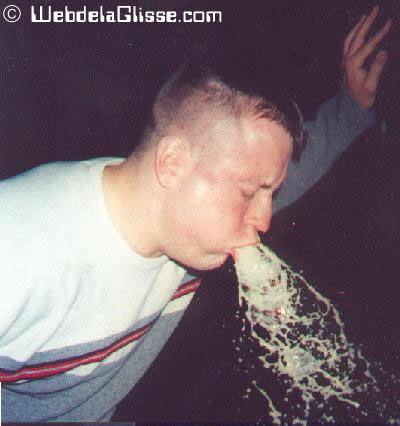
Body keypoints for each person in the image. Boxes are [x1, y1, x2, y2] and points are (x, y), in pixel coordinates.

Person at [0, 6, 390, 423]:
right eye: (249, 193)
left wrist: (351, 107)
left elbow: (293, 170)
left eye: (270, 194)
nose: (263, 220)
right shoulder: (20, 249)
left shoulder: (188, 218)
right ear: (172, 163)